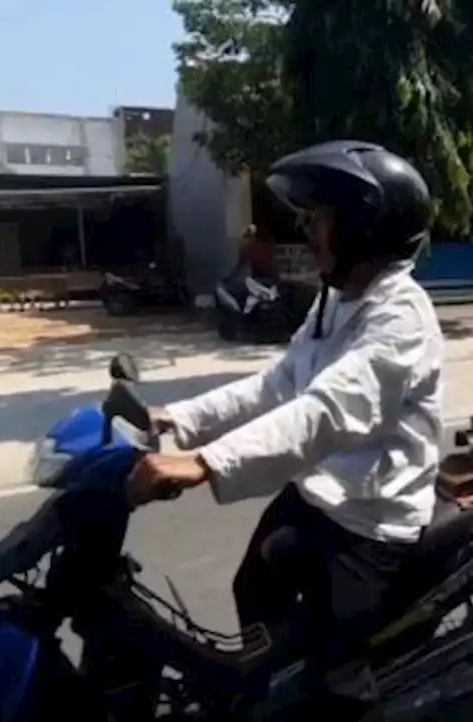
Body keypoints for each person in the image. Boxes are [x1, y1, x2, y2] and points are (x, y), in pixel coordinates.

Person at [126, 140, 444, 716]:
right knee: (253, 586)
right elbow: (278, 385)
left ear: (366, 228)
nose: (307, 231)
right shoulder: (336, 300)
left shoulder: (401, 316)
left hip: (372, 515)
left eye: (319, 218)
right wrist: (179, 420)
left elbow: (325, 409)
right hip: (322, 490)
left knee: (336, 679)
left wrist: (207, 463)